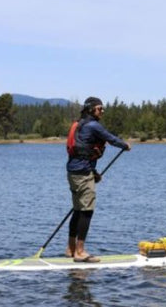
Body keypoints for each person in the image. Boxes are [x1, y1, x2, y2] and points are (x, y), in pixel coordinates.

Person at [66, 97, 131, 262]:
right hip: (82, 173)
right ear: (91, 109)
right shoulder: (93, 125)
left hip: (74, 172)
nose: (102, 111)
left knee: (78, 210)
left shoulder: (80, 124)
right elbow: (111, 138)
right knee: (87, 211)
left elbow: (83, 153)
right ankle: (80, 253)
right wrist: (125, 145)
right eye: (99, 108)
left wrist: (93, 172)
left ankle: (71, 248)